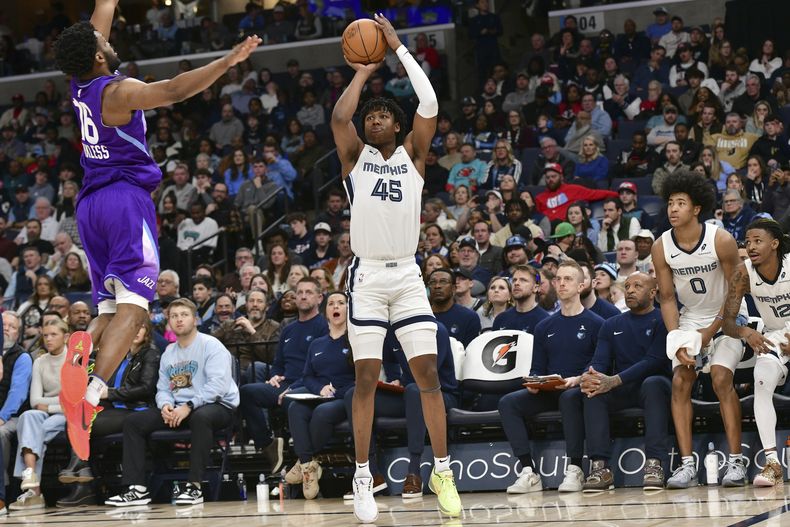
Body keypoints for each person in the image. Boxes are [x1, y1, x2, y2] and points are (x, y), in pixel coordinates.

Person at [52, 0, 261, 458]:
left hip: (89, 205)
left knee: (108, 306)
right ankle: (90, 398)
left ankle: (81, 355)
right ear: (99, 56)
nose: (109, 38)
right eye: (105, 41)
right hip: (124, 200)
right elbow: (172, 90)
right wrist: (228, 61)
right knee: (137, 305)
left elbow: (99, 17)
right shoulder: (116, 92)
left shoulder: (80, 80)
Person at [330, 14, 461, 521]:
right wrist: (363, 72)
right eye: (371, 117)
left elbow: (428, 103)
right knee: (365, 377)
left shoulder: (414, 155)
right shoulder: (354, 159)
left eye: (384, 115)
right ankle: (363, 477)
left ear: (399, 125)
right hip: (365, 277)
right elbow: (340, 119)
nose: (374, 120)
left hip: (407, 275)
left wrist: (400, 49)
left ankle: (442, 470)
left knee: (426, 372)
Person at [651, 171, 748, 489]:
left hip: (731, 316)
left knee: (721, 377)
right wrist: (677, 339)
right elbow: (666, 298)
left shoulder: (720, 239)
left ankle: (736, 462)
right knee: (680, 380)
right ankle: (687, 464)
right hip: (691, 319)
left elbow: (737, 290)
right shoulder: (661, 246)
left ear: (696, 208)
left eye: (680, 202)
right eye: (670, 202)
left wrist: (713, 330)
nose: (673, 208)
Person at [105, 299, 238, 507]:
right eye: (174, 316)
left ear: (195, 320)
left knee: (201, 417)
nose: (178, 320)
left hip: (217, 406)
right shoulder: (168, 353)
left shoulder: (211, 345)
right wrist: (165, 406)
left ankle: (194, 487)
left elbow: (218, 387)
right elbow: (163, 389)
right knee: (134, 422)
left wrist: (189, 406)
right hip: (180, 409)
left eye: (184, 315)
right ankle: (136, 489)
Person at [498, 261, 604, 494]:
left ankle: (575, 468)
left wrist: (579, 378)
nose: (562, 283)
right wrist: (535, 381)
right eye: (558, 279)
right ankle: (528, 471)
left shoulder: (597, 323)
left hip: (579, 389)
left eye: (568, 279)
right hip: (550, 389)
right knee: (508, 402)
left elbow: (599, 364)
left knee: (569, 397)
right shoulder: (544, 325)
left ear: (581, 286)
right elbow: (537, 366)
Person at [568, 273, 672, 490]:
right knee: (593, 390)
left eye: (637, 286)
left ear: (653, 292)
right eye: (627, 286)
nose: (630, 290)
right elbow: (599, 362)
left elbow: (654, 361)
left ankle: (655, 464)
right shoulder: (610, 324)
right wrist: (590, 377)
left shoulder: (664, 319)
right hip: (622, 387)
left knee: (652, 383)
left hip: (655, 386)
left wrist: (615, 380)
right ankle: (600, 467)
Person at [721, 219, 790, 486]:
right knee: (762, 376)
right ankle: (773, 463)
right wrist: (745, 332)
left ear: (774, 244)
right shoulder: (743, 273)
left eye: (758, 241)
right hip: (775, 334)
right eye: (747, 241)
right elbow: (727, 322)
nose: (750, 246)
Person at [238, 278, 327, 473]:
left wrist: (293, 388)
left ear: (319, 298)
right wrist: (275, 376)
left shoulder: (323, 326)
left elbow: (320, 368)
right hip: (285, 383)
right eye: (299, 292)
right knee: (246, 392)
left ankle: (305, 461)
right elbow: (278, 362)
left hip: (309, 386)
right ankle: (268, 444)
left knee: (292, 403)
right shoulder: (288, 329)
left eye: (309, 292)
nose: (303, 296)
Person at [284, 292, 355, 499]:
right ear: (326, 312)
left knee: (322, 413)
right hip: (320, 394)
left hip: (345, 398)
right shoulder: (317, 344)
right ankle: (309, 466)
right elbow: (307, 376)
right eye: (331, 303)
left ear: (348, 310)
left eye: (341, 303)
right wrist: (321, 389)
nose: (336, 306)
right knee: (295, 407)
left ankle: (303, 463)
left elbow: (362, 377)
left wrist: (336, 391)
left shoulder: (355, 341)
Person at [8, 318, 68, 511]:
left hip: (67, 416)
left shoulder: (74, 360)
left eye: (54, 335)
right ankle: (32, 480)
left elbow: (73, 404)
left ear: (66, 337)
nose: (48, 339)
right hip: (49, 411)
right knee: (27, 417)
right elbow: (35, 401)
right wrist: (54, 405)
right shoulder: (40, 361)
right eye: (45, 335)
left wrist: (49, 407)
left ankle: (33, 490)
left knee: (35, 431)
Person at [491, 265, 549, 332]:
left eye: (523, 280)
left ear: (536, 288)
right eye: (514, 280)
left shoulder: (545, 321)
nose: (516, 283)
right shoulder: (501, 319)